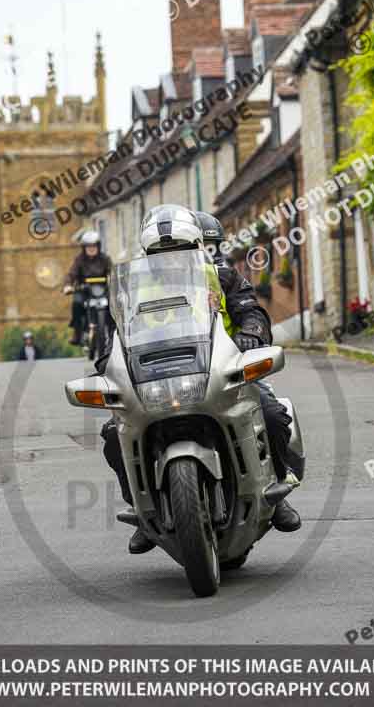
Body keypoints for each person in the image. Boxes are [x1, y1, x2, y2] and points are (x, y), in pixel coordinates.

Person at [100, 205, 301, 555]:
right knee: (114, 435)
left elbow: (251, 311)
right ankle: (143, 510)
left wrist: (252, 334)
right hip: (154, 378)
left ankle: (277, 492)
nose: (171, 259)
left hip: (226, 369)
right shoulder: (133, 290)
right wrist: (108, 364)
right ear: (148, 256)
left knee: (271, 414)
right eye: (161, 254)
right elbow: (114, 337)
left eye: (179, 250)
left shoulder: (221, 277)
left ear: (195, 247)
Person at [63, 229, 112, 346]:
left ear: (98, 246)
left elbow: (113, 272)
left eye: (94, 246)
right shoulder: (79, 260)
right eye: (88, 246)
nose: (91, 248)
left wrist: (116, 282)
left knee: (113, 304)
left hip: (103, 290)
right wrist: (68, 285)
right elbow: (71, 274)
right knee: (76, 303)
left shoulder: (105, 259)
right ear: (84, 247)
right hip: (84, 290)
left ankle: (113, 331)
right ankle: (77, 333)